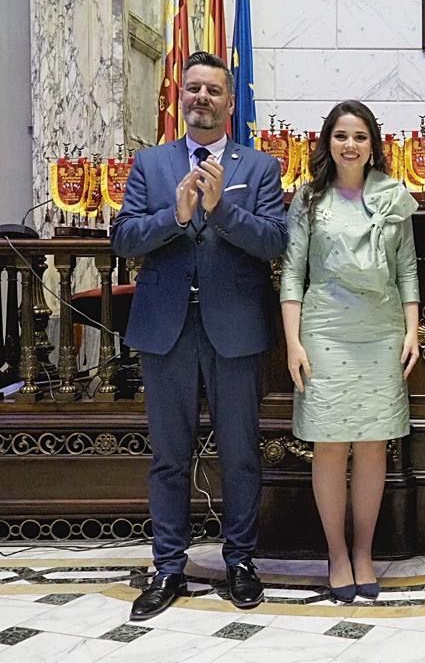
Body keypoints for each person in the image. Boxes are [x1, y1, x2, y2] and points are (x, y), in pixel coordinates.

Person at [111, 51, 287, 620]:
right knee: (168, 456)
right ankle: (168, 567)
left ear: (231, 103)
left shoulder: (259, 168)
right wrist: (178, 216)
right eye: (193, 90)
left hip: (234, 330)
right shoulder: (152, 164)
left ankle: (240, 560)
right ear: (179, 98)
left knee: (240, 454)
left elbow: (274, 242)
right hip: (166, 331)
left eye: (214, 91)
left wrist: (221, 211)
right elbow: (124, 239)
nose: (202, 99)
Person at [279, 100, 420, 603]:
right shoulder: (309, 199)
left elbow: (407, 269)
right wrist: (293, 340)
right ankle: (337, 554)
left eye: (360, 136)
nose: (350, 145)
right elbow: (294, 271)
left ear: (372, 144)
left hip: (381, 330)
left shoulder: (393, 195)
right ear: (328, 142)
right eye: (341, 135)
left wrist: (411, 329)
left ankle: (364, 551)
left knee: (373, 443)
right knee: (331, 443)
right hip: (324, 331)